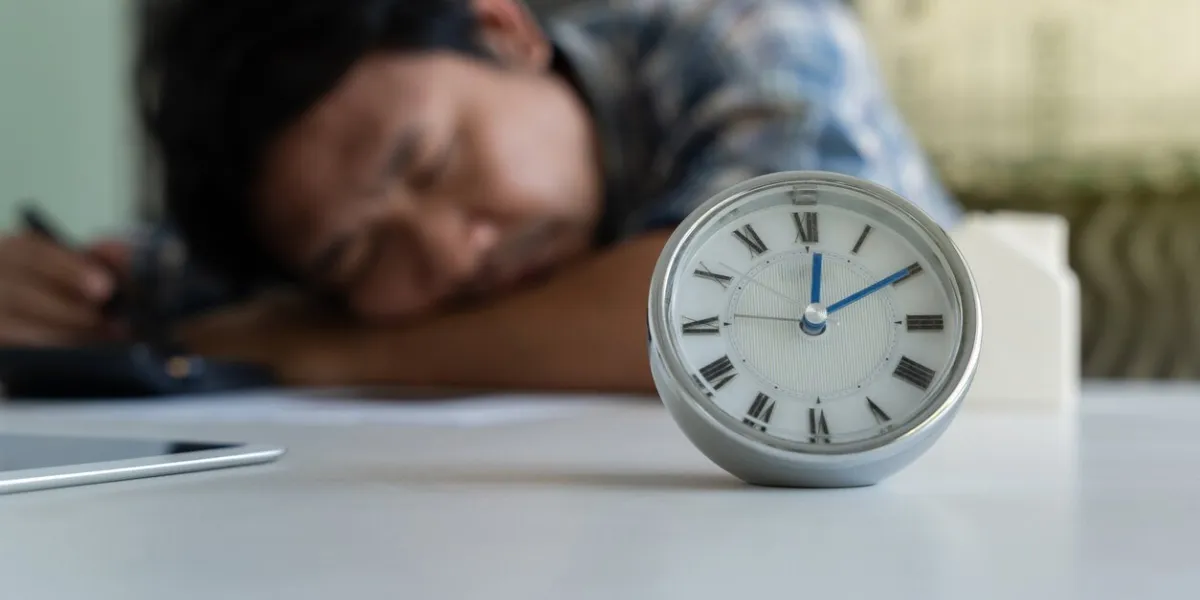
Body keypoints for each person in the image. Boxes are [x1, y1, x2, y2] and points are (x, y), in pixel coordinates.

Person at [0, 0, 961, 393]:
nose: (452, 254)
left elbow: (763, 311)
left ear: (504, 30)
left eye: (428, 162)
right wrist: (53, 293)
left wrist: (327, 349)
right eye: (355, 257)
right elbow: (143, 290)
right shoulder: (286, 232)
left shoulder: (744, 33)